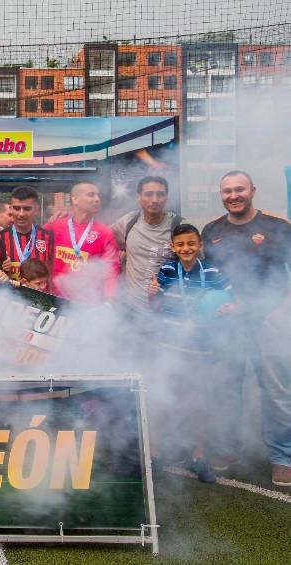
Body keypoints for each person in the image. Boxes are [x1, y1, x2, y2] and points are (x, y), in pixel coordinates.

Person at [201, 170, 291, 486]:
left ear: (253, 190)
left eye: (239, 189)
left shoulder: (279, 226)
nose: (233, 195)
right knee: (226, 388)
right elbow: (208, 278)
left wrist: (281, 310)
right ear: (221, 194)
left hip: (268, 321)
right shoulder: (211, 230)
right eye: (227, 191)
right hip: (228, 323)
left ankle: (283, 458)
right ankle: (228, 448)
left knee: (277, 391)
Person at [148, 224, 232, 483]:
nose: (186, 248)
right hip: (168, 346)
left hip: (201, 349)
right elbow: (155, 306)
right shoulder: (166, 270)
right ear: (173, 247)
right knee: (160, 399)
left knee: (199, 403)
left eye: (191, 243)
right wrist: (152, 294)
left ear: (200, 245)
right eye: (181, 244)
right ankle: (154, 454)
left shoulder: (212, 272)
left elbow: (232, 301)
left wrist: (227, 309)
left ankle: (198, 457)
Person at [111, 176, 184, 317]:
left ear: (166, 198)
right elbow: (101, 238)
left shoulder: (178, 226)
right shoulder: (128, 221)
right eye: (149, 194)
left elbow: (195, 266)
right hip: (131, 311)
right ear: (138, 197)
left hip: (166, 312)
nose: (155, 199)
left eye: (160, 194)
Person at [44, 182, 119, 302]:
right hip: (54, 299)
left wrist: (109, 301)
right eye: (91, 195)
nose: (97, 199)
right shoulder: (55, 225)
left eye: (98, 195)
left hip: (86, 304)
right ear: (75, 199)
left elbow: (111, 271)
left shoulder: (105, 233)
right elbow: (37, 250)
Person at [0, 186, 54, 282]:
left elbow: (53, 275)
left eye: (27, 209)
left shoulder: (48, 237)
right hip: (7, 292)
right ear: (11, 209)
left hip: (38, 292)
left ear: (37, 210)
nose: (21, 214)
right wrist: (0, 273)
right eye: (17, 208)